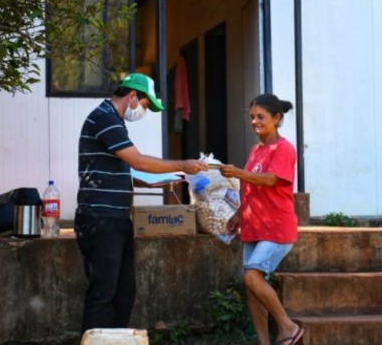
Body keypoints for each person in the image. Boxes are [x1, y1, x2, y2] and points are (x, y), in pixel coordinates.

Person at [74, 73, 208, 332]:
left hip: (117, 220)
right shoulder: (104, 118)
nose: (143, 111)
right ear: (132, 96)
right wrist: (183, 165)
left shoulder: (114, 121)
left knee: (124, 294)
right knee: (103, 293)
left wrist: (154, 182)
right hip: (100, 220)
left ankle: (115, 339)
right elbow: (137, 160)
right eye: (145, 105)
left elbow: (121, 170)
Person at [219, 93, 304, 345]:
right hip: (254, 227)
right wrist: (237, 215)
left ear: (277, 118)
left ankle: (288, 327)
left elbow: (270, 179)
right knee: (252, 289)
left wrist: (238, 173)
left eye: (261, 117)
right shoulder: (256, 149)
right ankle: (264, 342)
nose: (255, 121)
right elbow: (252, 189)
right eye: (252, 117)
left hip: (276, 229)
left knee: (251, 277)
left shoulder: (284, 148)